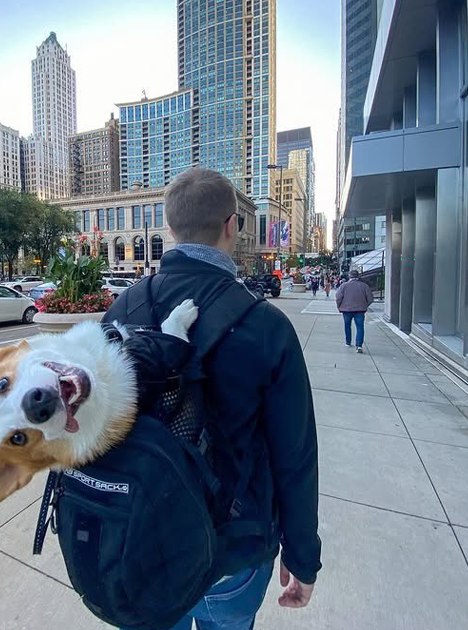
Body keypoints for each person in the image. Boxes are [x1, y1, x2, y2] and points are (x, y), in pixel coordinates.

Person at [104, 168, 320, 630]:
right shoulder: (268, 326)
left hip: (144, 548)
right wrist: (303, 556)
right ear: (231, 225)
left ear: (169, 228)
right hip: (234, 553)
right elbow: (294, 455)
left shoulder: (124, 309)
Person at [335, 268, 373, 353]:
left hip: (347, 309)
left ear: (349, 276)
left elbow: (338, 297)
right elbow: (370, 299)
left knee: (347, 325)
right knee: (360, 327)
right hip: (360, 310)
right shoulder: (364, 286)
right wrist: (365, 305)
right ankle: (359, 345)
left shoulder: (344, 286)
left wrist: (339, 306)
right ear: (358, 277)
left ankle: (348, 342)